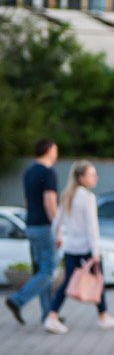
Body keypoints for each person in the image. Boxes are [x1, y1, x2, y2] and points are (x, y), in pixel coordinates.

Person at [45, 161, 114, 332]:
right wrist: (95, 252)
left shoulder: (67, 195)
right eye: (92, 175)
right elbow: (92, 227)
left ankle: (52, 316)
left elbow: (56, 222)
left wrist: (58, 237)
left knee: (67, 282)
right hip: (87, 247)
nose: (96, 178)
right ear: (81, 178)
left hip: (70, 246)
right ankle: (103, 316)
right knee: (98, 279)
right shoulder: (87, 197)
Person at [6, 139, 60, 326]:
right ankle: (17, 300)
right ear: (49, 150)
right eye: (55, 150)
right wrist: (58, 228)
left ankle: (48, 314)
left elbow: (27, 202)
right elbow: (49, 202)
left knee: (42, 270)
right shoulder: (48, 172)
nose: (56, 153)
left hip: (31, 225)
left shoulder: (29, 172)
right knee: (49, 271)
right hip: (45, 226)